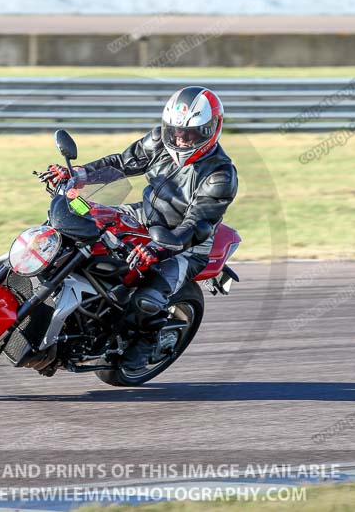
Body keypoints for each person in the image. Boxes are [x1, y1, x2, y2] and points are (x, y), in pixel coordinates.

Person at [41, 86, 238, 369]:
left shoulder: (220, 174)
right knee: (77, 216)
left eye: (191, 133)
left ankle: (146, 341)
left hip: (185, 244)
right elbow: (122, 163)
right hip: (142, 216)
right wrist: (76, 175)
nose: (181, 139)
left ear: (211, 129)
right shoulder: (160, 140)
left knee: (147, 298)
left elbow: (198, 225)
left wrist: (159, 249)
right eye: (175, 131)